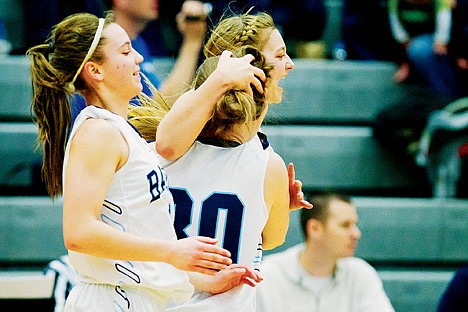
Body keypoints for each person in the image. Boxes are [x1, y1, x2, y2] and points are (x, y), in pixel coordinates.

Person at [26, 11, 244, 310]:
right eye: (126, 51)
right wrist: (171, 251)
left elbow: (138, 238)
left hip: (134, 297)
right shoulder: (98, 132)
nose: (139, 58)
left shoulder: (121, 133)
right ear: (95, 71)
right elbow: (78, 233)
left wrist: (201, 281)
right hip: (110, 299)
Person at [256, 192, 395, 312]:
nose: (356, 233)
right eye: (345, 225)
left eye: (355, 225)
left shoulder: (361, 274)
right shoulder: (267, 275)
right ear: (315, 228)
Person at [101, 0, 208, 102]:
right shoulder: (107, 47)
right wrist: (192, 42)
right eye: (125, 52)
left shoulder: (138, 42)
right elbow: (159, 107)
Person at [388, 0, 459, 97]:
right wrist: (405, 62)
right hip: (413, 46)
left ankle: (445, 96)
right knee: (418, 50)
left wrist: (458, 53)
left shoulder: (442, 3)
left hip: (440, 43)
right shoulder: (395, 3)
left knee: (423, 50)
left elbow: (443, 39)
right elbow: (400, 35)